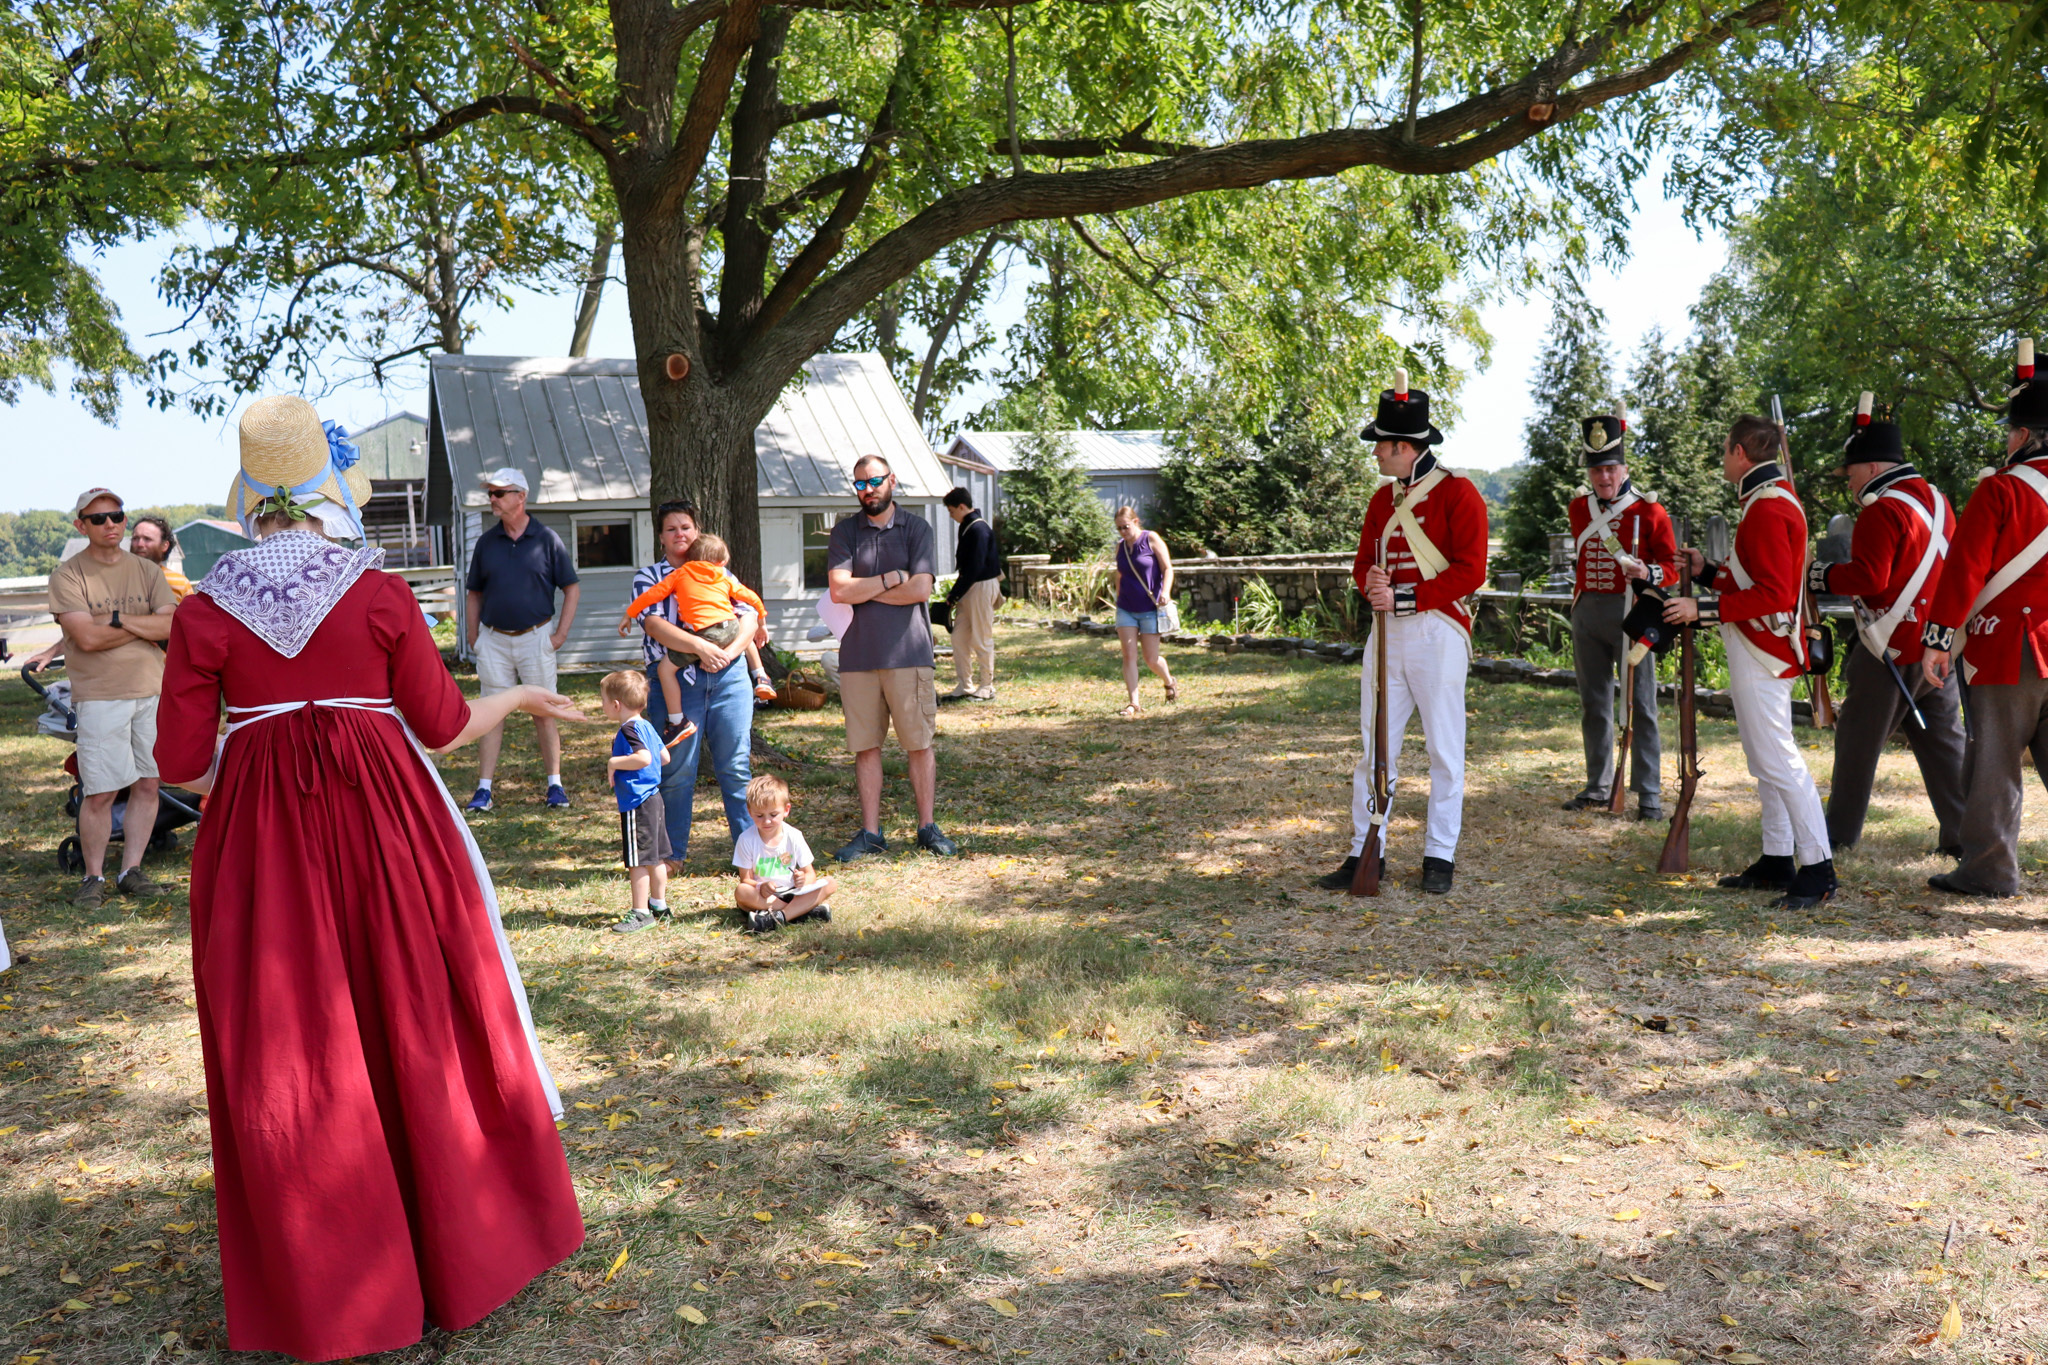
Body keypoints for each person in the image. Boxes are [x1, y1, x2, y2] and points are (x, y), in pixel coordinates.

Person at [153, 395, 584, 1360]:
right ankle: (456, 1246)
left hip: (265, 844)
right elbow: (439, 728)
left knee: (300, 1040)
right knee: (416, 1010)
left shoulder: (206, 611)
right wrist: (513, 691)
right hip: (389, 825)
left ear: (247, 501)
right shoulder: (378, 591)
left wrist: (260, 755)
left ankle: (335, 1276)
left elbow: (181, 762)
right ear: (324, 489)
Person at [1317, 373, 1489, 895]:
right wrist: (1370, 585)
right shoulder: (1381, 501)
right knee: (1375, 748)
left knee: (1443, 749)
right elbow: (1363, 565)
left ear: (1403, 447)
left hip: (1438, 632)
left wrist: (1407, 598)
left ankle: (1440, 853)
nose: (1375, 455)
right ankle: (1366, 848)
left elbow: (1471, 570)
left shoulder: (1459, 493)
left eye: (1380, 447)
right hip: (1386, 633)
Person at [1661, 415, 1836, 909]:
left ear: (1740, 452)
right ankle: (1778, 857)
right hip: (1760, 645)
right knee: (1766, 762)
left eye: (1724, 449)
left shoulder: (1766, 508)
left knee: (1779, 760)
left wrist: (1703, 608)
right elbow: (1752, 581)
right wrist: (1709, 573)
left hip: (1765, 647)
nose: (1722, 457)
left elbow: (1775, 597)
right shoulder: (1764, 502)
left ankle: (1818, 867)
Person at [1809, 393, 1965, 855]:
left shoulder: (1882, 508)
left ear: (1873, 467)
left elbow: (1869, 581)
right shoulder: (1938, 500)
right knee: (1944, 746)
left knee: (1857, 742)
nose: (1849, 480)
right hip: (1937, 643)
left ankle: (1837, 834)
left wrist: (1819, 575)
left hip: (1891, 649)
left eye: (1852, 471)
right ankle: (1962, 835)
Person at [1921, 339, 2048, 897]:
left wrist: (1938, 638)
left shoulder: (2001, 489)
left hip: (2007, 649)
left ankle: (1990, 870)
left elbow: (1964, 570)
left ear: (2022, 435)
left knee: (1996, 762)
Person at [47, 486, 179, 907]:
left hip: (151, 691)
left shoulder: (148, 572)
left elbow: (172, 628)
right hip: (101, 696)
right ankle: (93, 876)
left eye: (117, 516)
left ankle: (131, 869)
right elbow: (84, 638)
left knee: (148, 783)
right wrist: (141, 624)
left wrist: (116, 619)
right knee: (101, 791)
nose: (111, 524)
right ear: (80, 525)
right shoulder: (68, 575)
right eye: (99, 518)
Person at [827, 455, 959, 860]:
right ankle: (871, 833)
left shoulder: (916, 528)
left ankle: (927, 827)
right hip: (858, 655)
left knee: (918, 743)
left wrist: (863, 589)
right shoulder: (845, 531)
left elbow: (920, 589)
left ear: (892, 481)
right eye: (861, 484)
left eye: (875, 481)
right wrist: (888, 579)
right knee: (866, 747)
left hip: (909, 653)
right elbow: (838, 591)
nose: (868, 489)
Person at [1561, 407, 1678, 819]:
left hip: (1632, 611)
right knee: (1593, 702)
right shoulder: (1579, 509)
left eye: (1610, 468)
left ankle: (1648, 793)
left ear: (1624, 467)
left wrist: (1647, 571)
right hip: (1586, 610)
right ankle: (1597, 785)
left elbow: (1673, 567)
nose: (1604, 478)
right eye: (1597, 471)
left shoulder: (1649, 512)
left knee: (1640, 704)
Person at [632, 501, 759, 867]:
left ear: (697, 531)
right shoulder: (650, 576)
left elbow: (748, 617)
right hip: (678, 683)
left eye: (685, 527)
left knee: (735, 768)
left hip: (728, 679)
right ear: (661, 537)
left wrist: (727, 652)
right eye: (671, 529)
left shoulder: (719, 571)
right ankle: (673, 856)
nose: (680, 535)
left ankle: (751, 856)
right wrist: (702, 647)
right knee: (676, 771)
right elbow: (654, 625)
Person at [462, 466, 580, 811]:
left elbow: (571, 588)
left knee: (544, 712)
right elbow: (474, 593)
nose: (492, 500)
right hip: (493, 641)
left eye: (499, 493)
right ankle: (483, 791)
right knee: (491, 713)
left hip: (536, 638)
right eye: (491, 494)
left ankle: (555, 787)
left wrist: (559, 635)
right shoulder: (486, 542)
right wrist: (473, 636)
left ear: (521, 496)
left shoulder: (546, 539)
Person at [617, 532, 773, 744]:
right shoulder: (722, 575)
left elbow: (652, 595)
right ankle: (761, 677)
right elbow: (752, 599)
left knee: (665, 669)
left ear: (691, 557)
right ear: (722, 561)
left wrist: (629, 614)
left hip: (704, 633)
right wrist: (762, 624)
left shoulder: (681, 573)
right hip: (730, 626)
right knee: (742, 633)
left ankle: (677, 722)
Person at [601, 670, 673, 934]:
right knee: (655, 858)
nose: (603, 705)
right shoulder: (647, 726)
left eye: (603, 701)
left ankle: (640, 912)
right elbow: (664, 757)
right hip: (654, 800)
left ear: (616, 705)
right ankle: (659, 905)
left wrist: (614, 762)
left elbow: (645, 758)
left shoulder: (629, 728)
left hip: (637, 803)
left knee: (638, 860)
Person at [733, 773, 835, 933]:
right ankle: (801, 913)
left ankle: (777, 918)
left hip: (793, 892)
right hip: (766, 897)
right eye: (759, 815)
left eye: (773, 815)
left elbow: (810, 875)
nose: (766, 821)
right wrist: (761, 886)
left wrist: (802, 879)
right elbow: (746, 879)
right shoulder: (746, 839)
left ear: (786, 810)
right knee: (741, 892)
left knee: (830, 882)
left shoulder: (794, 835)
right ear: (749, 811)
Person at [1109, 505, 1179, 717]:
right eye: (1119, 528)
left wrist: (1165, 592)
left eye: (1126, 527)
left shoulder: (1151, 539)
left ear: (1136, 522)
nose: (1122, 532)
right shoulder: (1120, 547)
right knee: (1128, 655)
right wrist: (1118, 599)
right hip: (1126, 608)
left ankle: (1169, 681)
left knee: (1151, 658)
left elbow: (1167, 568)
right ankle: (1134, 703)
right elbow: (1120, 575)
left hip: (1150, 608)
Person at [942, 487, 1003, 700]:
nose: (951, 516)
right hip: (969, 587)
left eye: (951, 511)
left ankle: (987, 686)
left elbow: (975, 567)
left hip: (981, 585)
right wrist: (955, 594)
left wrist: (954, 594)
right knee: (959, 638)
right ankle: (965, 685)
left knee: (981, 638)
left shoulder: (979, 529)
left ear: (961, 506)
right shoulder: (967, 526)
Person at [130, 515, 194, 598]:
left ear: (164, 545)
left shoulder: (180, 584)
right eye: (135, 538)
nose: (139, 544)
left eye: (147, 539)